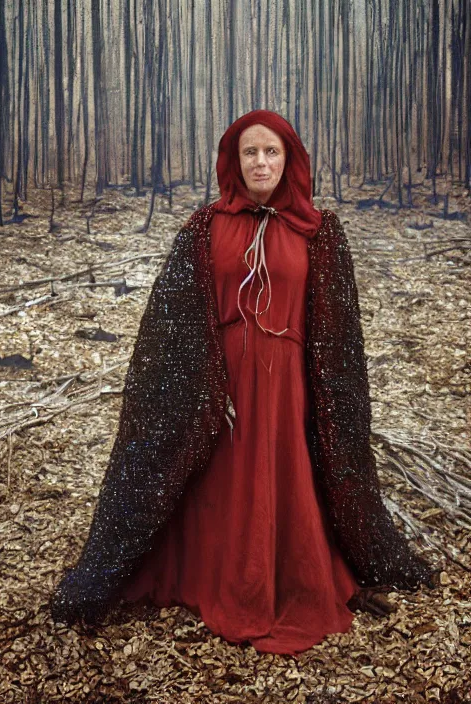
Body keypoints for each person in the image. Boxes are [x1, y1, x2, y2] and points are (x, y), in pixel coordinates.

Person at [51, 110, 434, 655]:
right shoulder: (205, 226)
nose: (260, 162)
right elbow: (172, 321)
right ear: (233, 161)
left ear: (289, 160)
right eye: (249, 153)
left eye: (271, 152)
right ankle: (212, 579)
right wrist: (200, 386)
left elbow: (340, 334)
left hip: (289, 390)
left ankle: (291, 581)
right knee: (220, 483)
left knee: (286, 480)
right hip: (221, 384)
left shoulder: (319, 231)